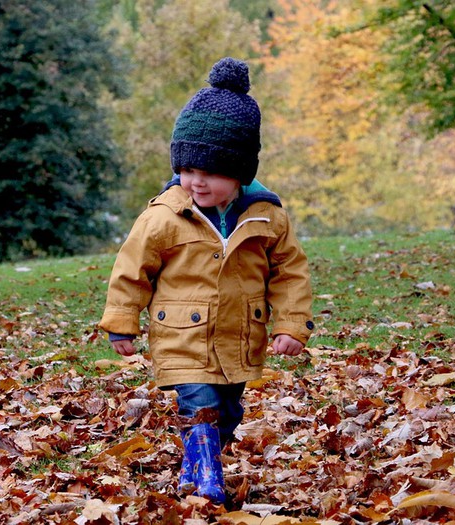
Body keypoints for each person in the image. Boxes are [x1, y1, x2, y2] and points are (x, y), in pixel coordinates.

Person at [98, 57, 314, 504]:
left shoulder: (267, 216)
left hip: (239, 338)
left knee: (229, 411)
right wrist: (122, 319)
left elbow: (289, 272)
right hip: (181, 334)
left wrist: (291, 325)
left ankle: (193, 469)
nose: (196, 181)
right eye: (188, 169)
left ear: (239, 172)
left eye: (210, 172)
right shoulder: (165, 216)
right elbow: (132, 266)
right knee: (200, 405)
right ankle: (210, 481)